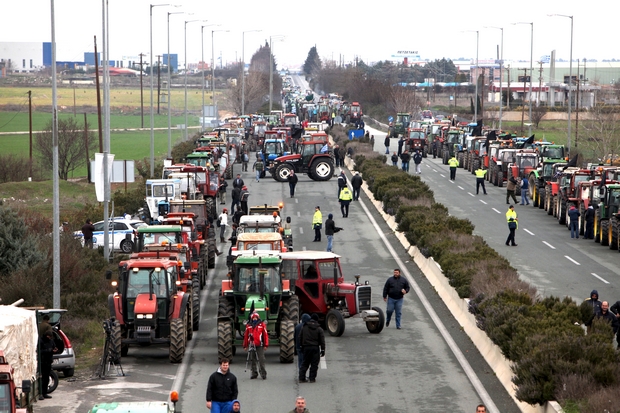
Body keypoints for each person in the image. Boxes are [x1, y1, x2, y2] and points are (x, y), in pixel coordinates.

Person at [298, 314, 325, 383]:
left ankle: (301, 378)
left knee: (305, 363)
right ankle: (312, 378)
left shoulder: (304, 327)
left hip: (306, 347)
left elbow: (300, 337)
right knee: (314, 364)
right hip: (315, 348)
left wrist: (301, 346)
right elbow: (322, 340)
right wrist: (322, 349)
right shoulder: (319, 329)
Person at [243, 312, 269, 380]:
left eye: (256, 317)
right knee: (253, 360)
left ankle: (263, 373)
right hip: (252, 344)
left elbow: (265, 335)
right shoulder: (249, 326)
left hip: (259, 345)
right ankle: (254, 373)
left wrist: (266, 344)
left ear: (258, 318)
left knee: (261, 359)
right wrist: (245, 345)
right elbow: (246, 336)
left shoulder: (262, 325)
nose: (254, 319)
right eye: (253, 317)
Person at [39, 330, 57, 399]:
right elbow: (40, 351)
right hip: (43, 362)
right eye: (49, 337)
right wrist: (49, 350)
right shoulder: (41, 341)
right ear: (47, 336)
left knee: (46, 378)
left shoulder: (51, 341)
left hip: (49, 361)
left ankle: (45, 392)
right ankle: (41, 393)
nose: (50, 338)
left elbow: (54, 347)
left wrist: (54, 350)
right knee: (42, 378)